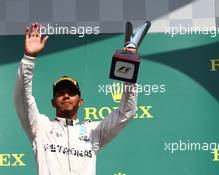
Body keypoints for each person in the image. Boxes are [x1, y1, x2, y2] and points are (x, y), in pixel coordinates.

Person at [14, 22, 137, 175]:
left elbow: (126, 113)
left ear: (80, 102)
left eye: (71, 92)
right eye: (60, 93)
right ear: (53, 103)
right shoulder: (40, 127)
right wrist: (29, 58)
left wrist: (129, 71)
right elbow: (23, 98)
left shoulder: (94, 131)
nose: (66, 95)